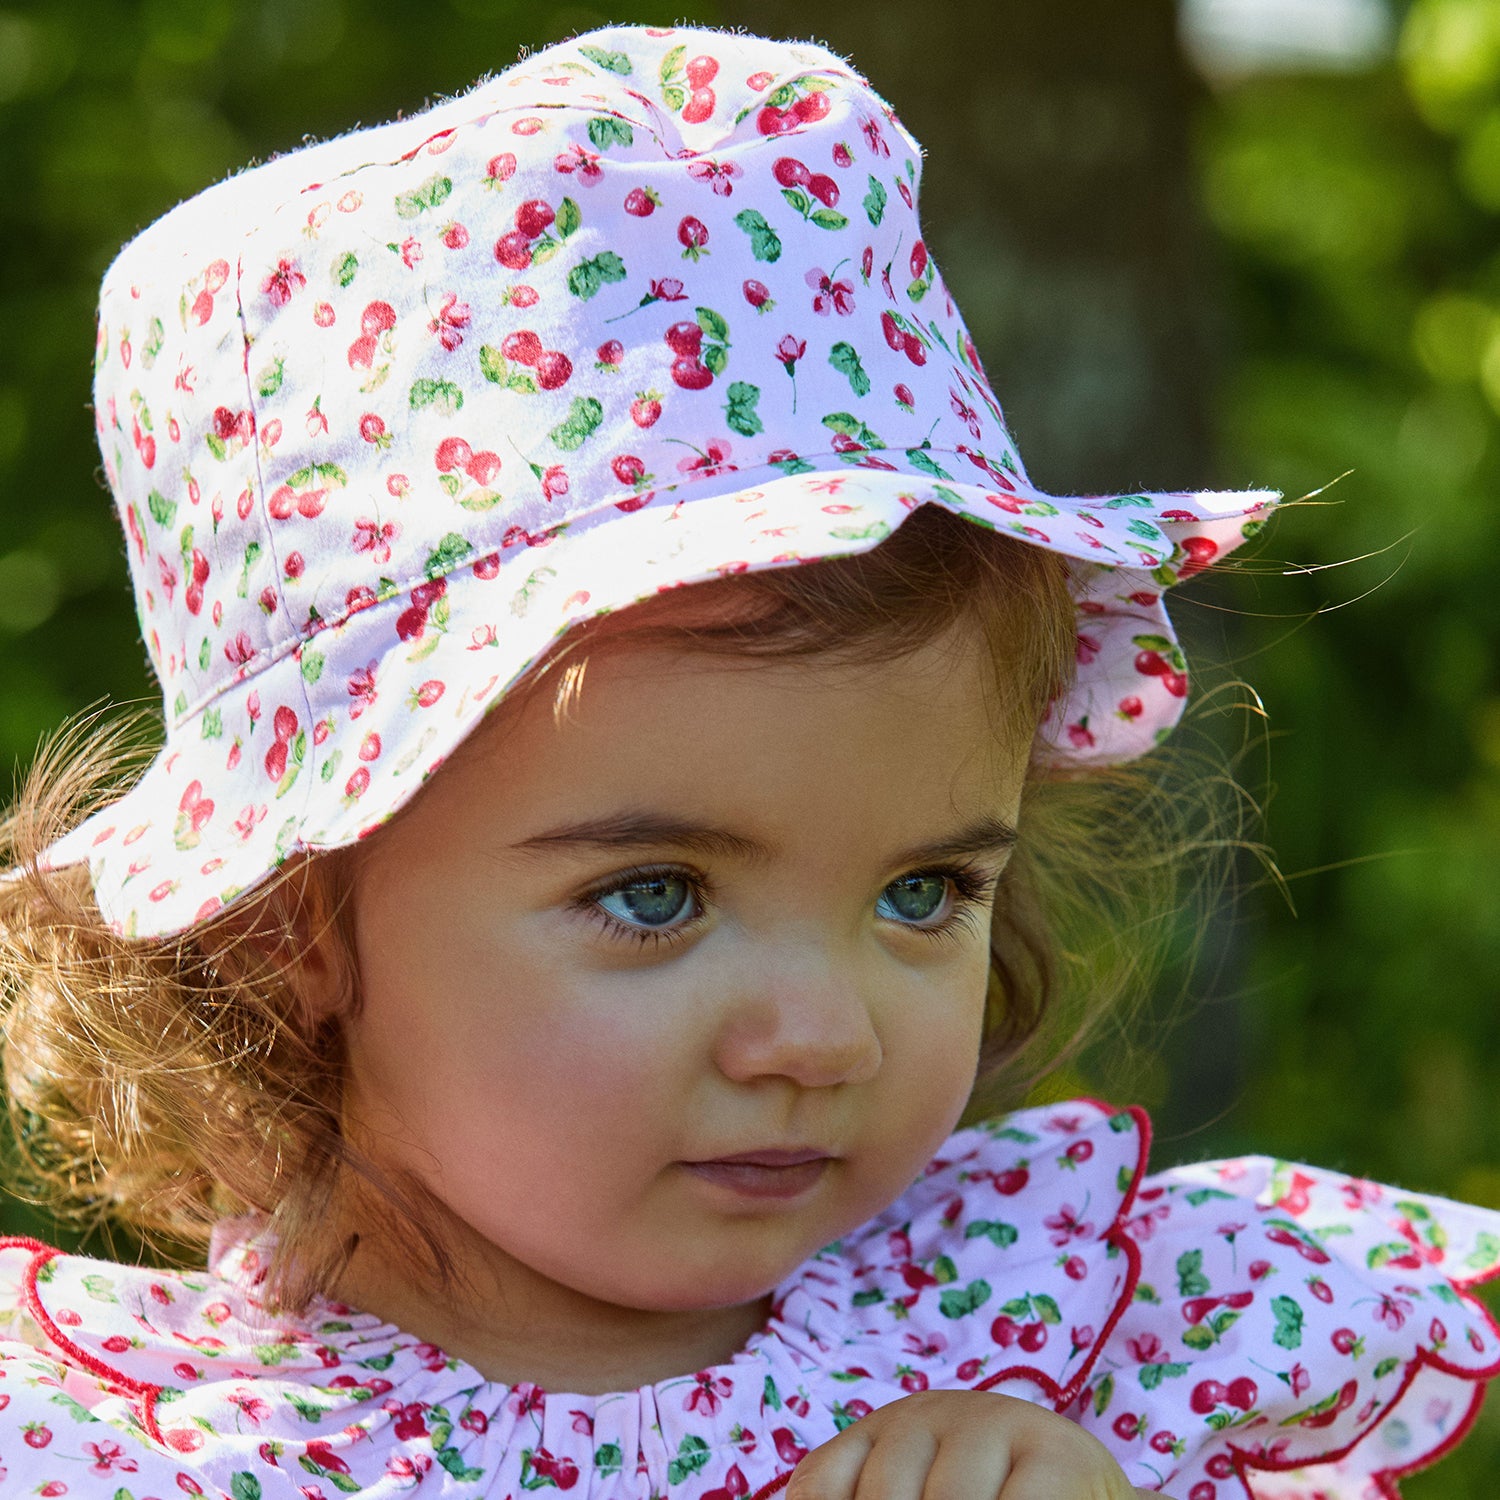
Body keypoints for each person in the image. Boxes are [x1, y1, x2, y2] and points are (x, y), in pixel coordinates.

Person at [0, 22, 1496, 1500]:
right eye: (655, 896)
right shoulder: (156, 1458)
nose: (824, 1035)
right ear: (289, 922)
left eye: (923, 894)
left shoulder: (1067, 1354)